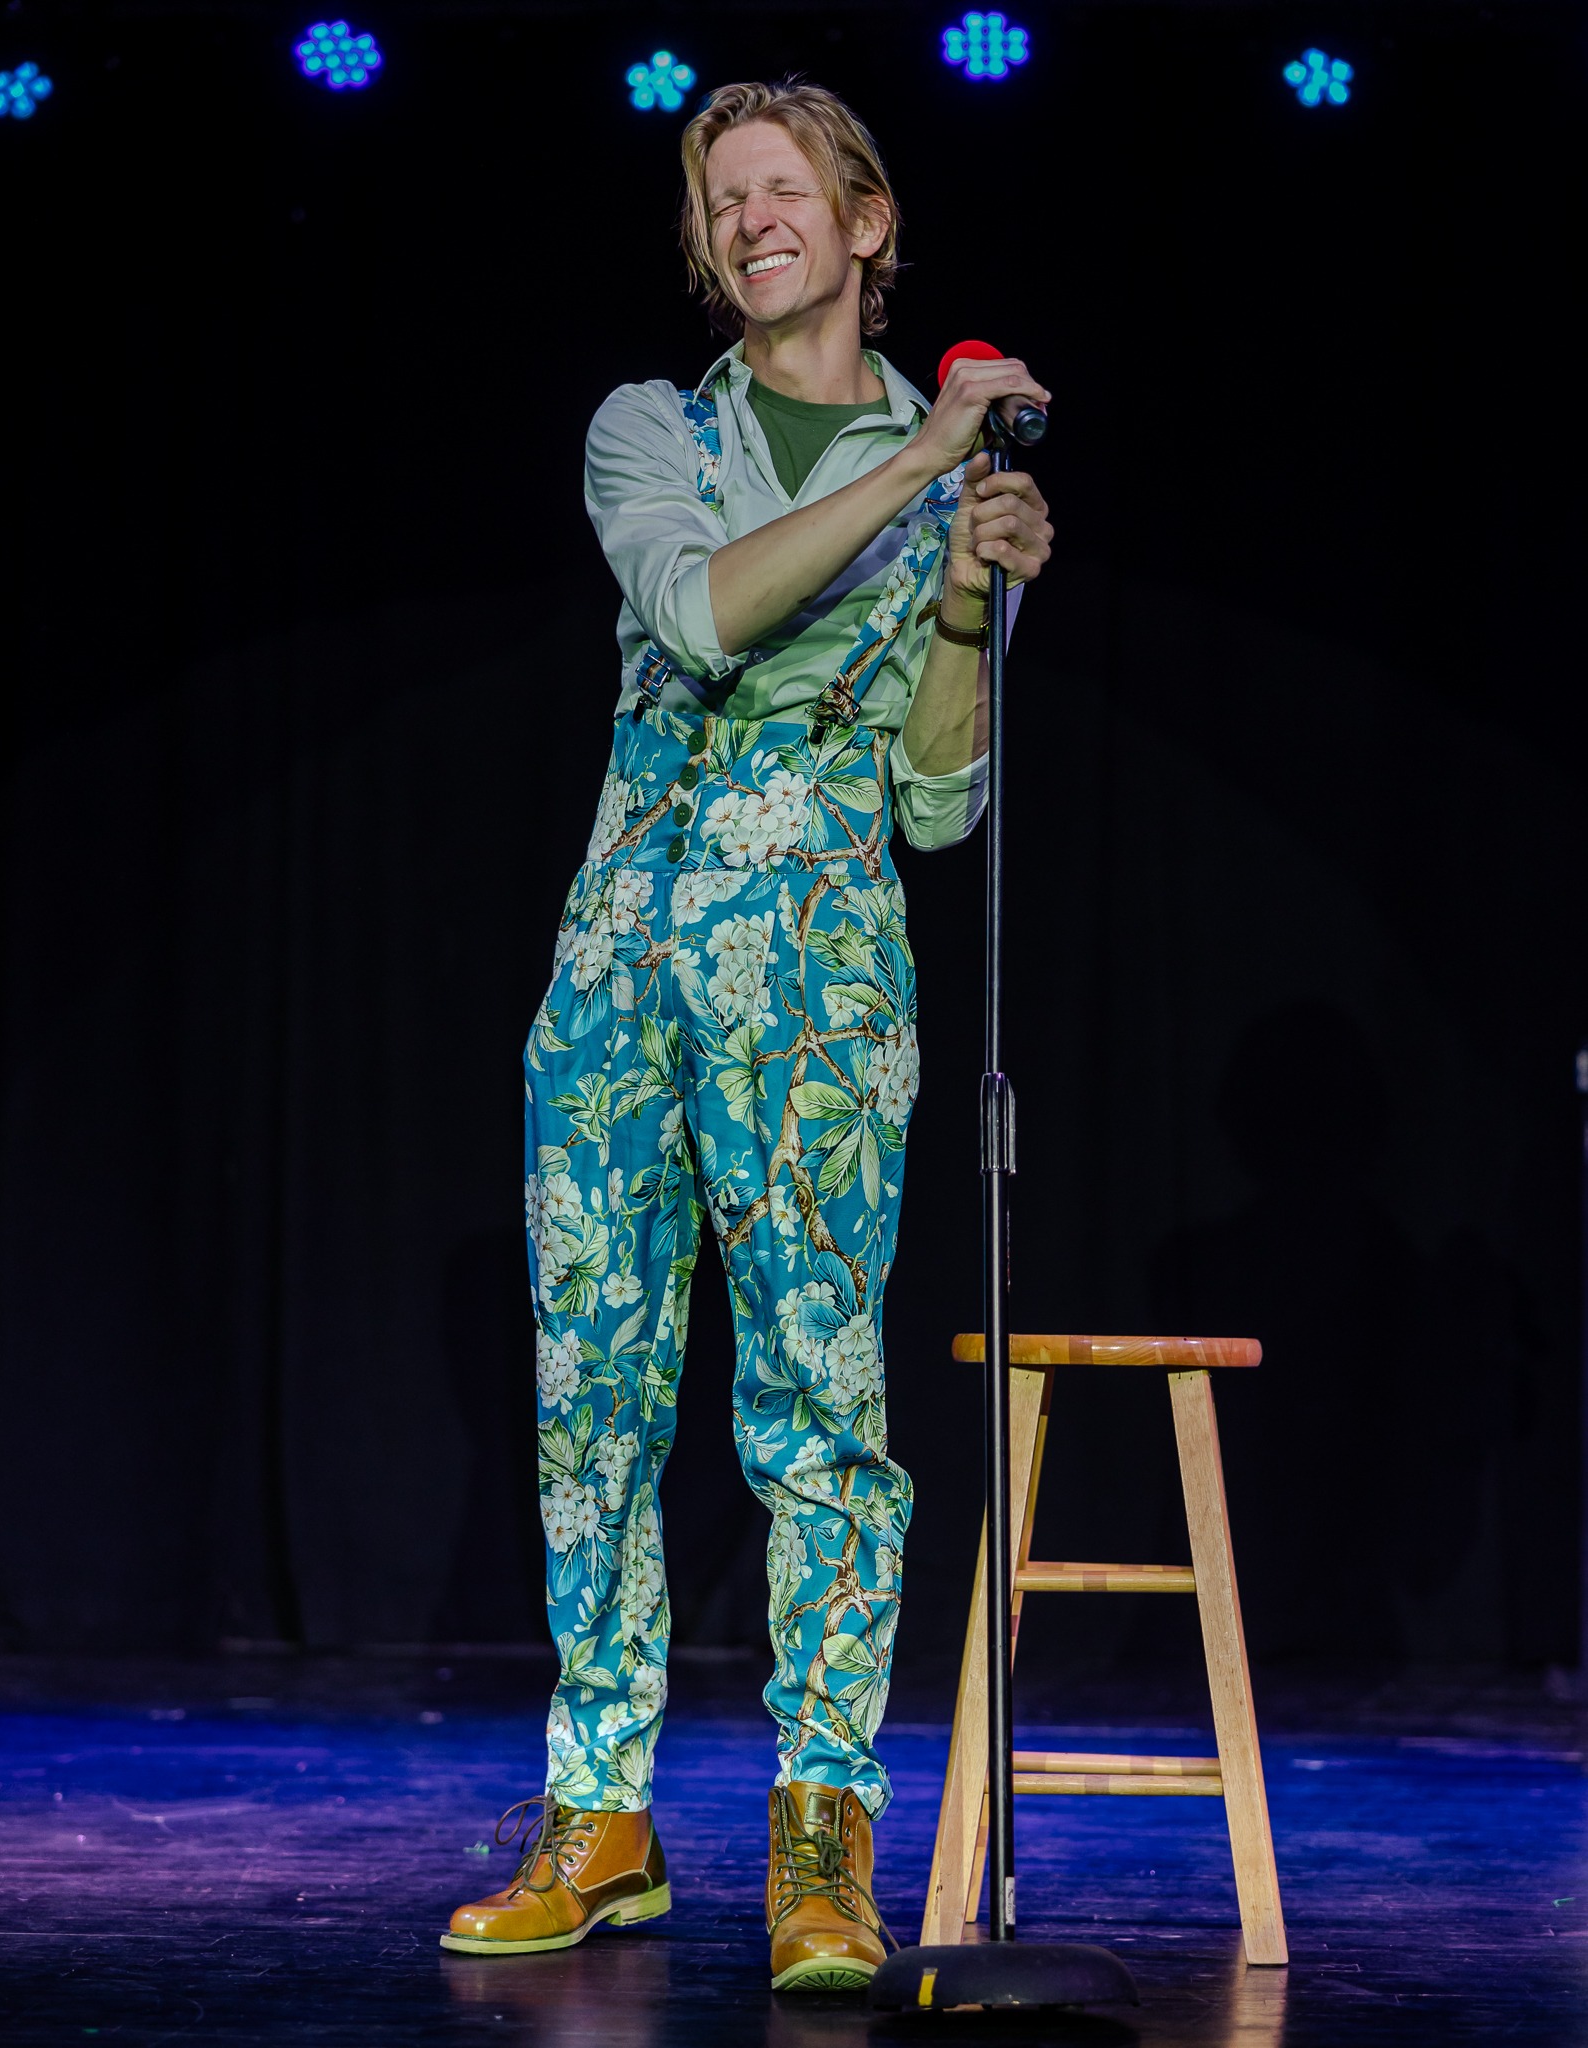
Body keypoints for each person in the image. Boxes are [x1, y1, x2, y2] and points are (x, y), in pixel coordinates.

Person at [443, 77, 1053, 1993]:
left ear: (868, 227)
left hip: (822, 988)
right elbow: (700, 612)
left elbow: (939, 804)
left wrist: (965, 601)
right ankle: (600, 1820)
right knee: (592, 1413)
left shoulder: (942, 477)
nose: (752, 219)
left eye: (789, 191)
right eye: (725, 198)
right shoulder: (657, 429)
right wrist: (921, 469)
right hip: (623, 970)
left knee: (816, 1416)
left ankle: (820, 1837)